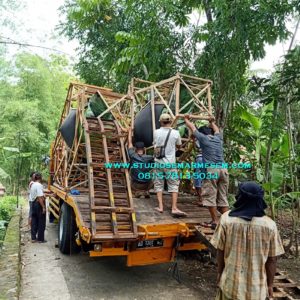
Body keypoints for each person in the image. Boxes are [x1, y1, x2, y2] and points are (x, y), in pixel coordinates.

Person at [211, 182, 285, 300]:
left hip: (230, 285)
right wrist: (270, 285)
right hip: (257, 291)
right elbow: (272, 259)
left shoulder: (226, 220)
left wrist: (220, 273)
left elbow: (220, 250)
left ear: (240, 197)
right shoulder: (270, 225)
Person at [184, 115, 228, 228]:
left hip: (212, 170)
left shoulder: (203, 139)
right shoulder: (218, 139)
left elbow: (193, 128)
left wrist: (186, 119)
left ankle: (215, 221)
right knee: (223, 197)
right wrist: (212, 122)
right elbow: (217, 130)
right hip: (224, 169)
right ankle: (227, 222)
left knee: (210, 196)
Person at [153, 113, 186, 217]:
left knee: (158, 183)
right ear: (170, 122)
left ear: (161, 122)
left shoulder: (156, 132)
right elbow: (179, 145)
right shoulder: (176, 133)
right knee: (173, 184)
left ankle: (160, 207)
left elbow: (155, 143)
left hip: (158, 162)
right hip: (170, 163)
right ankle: (174, 208)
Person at [127, 127, 154, 197]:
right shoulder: (150, 157)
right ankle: (146, 191)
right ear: (144, 149)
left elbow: (129, 143)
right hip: (147, 184)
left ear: (135, 149)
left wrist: (129, 131)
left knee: (128, 169)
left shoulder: (133, 155)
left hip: (135, 184)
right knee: (154, 172)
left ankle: (136, 191)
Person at [30, 173, 47, 243]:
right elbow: (40, 197)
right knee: (41, 221)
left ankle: (33, 238)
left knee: (34, 221)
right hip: (38, 204)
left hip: (33, 203)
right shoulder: (39, 185)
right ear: (40, 178)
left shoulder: (33, 184)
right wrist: (43, 207)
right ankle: (40, 239)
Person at [193, 137, 204, 206]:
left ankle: (201, 199)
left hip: (200, 158)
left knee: (198, 178)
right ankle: (201, 199)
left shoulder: (199, 139)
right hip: (207, 159)